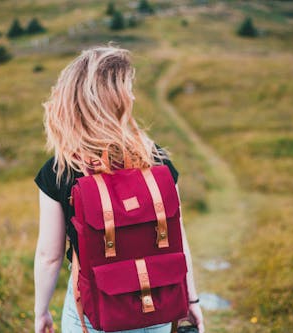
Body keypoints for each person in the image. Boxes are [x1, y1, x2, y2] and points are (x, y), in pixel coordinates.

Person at [33, 44, 204, 333]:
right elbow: (178, 238)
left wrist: (41, 312)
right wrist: (191, 298)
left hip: (90, 313)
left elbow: (48, 256)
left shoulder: (59, 169)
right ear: (117, 100)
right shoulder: (157, 160)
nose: (134, 95)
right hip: (157, 308)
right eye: (129, 88)